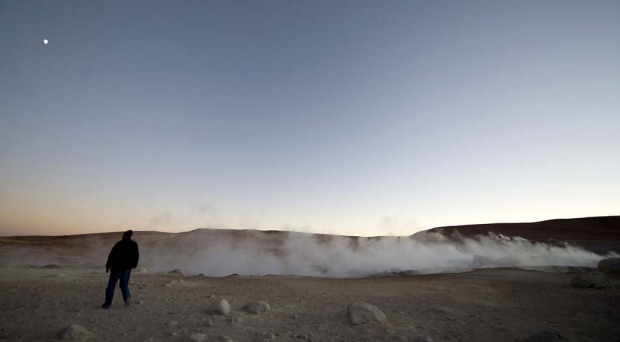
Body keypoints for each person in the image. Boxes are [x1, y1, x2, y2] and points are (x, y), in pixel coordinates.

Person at [102, 230, 139, 309]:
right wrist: (133, 265)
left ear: (125, 235)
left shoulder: (119, 244)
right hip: (127, 268)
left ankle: (107, 303)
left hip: (116, 268)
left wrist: (108, 266)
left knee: (111, 285)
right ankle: (127, 300)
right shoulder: (134, 244)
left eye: (123, 235)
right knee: (124, 285)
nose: (122, 236)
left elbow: (111, 255)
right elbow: (136, 256)